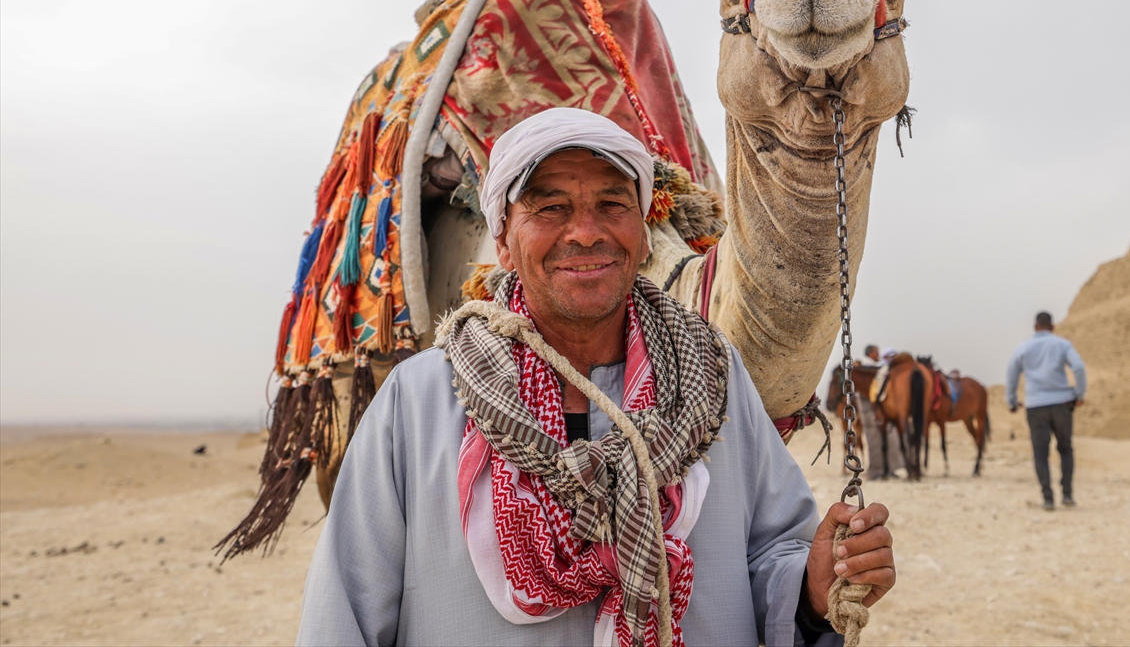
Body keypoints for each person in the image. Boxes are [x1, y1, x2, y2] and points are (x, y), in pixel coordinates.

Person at [296, 108, 896, 647]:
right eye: (550, 207)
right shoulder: (420, 400)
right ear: (502, 239)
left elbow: (774, 554)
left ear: (641, 230)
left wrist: (815, 590)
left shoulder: (714, 381)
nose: (585, 231)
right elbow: (344, 612)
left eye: (611, 204)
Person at [1006, 311, 1087, 511]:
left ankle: (1048, 497)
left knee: (1040, 454)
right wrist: (1079, 393)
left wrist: (1012, 401)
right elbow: (1078, 367)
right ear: (1052, 327)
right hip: (1062, 403)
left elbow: (1011, 374)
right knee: (1066, 449)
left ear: (1035, 327)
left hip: (1035, 405)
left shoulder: (1023, 347)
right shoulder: (1062, 344)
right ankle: (1067, 493)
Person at [857, 346, 903, 480]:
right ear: (871, 353)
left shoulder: (876, 367)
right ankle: (876, 471)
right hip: (870, 407)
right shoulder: (867, 368)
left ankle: (888, 469)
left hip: (879, 408)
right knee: (874, 439)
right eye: (876, 351)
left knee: (888, 438)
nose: (879, 354)